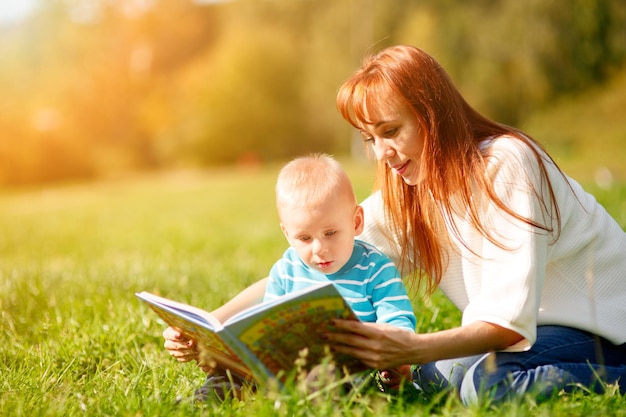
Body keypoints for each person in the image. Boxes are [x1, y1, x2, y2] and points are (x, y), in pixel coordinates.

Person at [165, 45, 626, 405]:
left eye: (391, 131)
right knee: (429, 380)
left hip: (602, 329)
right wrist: (212, 323)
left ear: (432, 116)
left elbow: (507, 326)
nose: (382, 153)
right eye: (370, 138)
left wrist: (411, 347)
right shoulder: (409, 188)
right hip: (534, 335)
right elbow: (320, 265)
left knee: (482, 389)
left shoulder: (506, 164)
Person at [171, 154, 417, 401]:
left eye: (330, 233)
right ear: (287, 233)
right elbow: (268, 322)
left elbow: (398, 320)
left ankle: (295, 400)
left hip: (340, 372)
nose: (319, 248)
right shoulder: (287, 267)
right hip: (281, 368)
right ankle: (208, 400)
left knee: (324, 377)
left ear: (356, 221)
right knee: (229, 370)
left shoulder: (375, 269)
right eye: (305, 238)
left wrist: (395, 359)